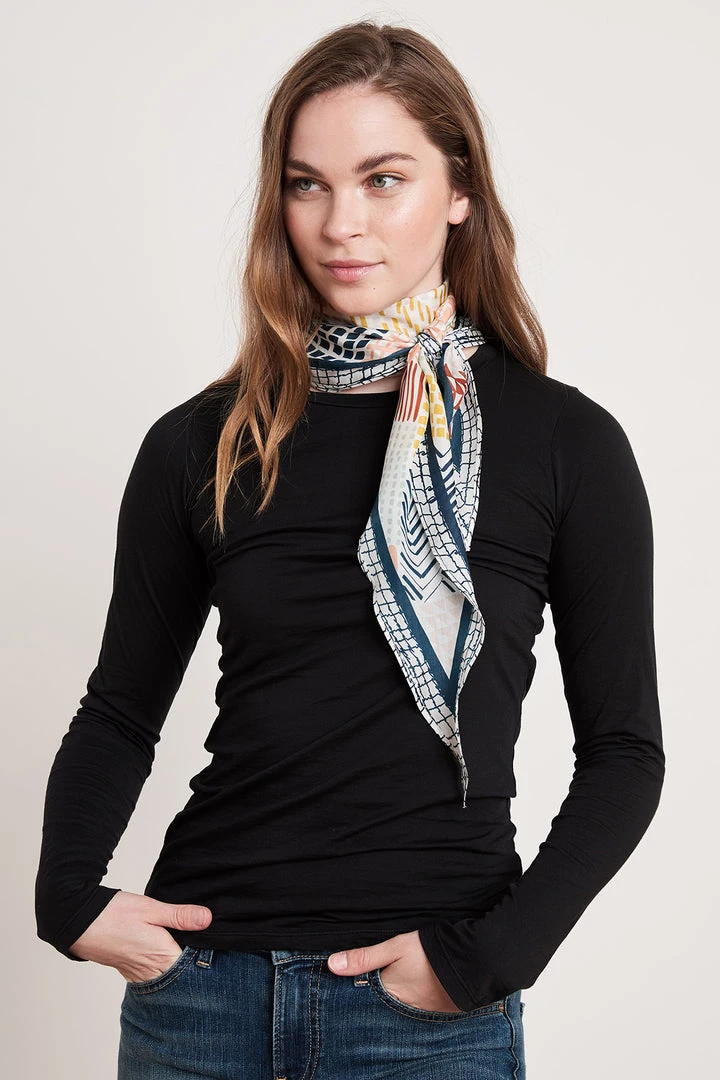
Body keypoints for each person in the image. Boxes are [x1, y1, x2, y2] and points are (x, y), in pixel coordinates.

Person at [34, 20, 665, 1080]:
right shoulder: (205, 439)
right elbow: (120, 710)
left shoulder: (564, 442)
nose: (341, 224)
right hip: (202, 1000)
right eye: (307, 184)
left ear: (460, 190)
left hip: (426, 1018)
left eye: (383, 179)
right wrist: (68, 900)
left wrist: (489, 958)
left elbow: (626, 752)